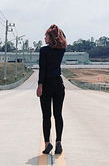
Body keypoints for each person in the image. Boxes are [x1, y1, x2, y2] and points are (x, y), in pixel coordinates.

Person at [36, 24, 67, 154]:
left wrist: (39, 85)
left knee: (46, 116)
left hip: (47, 85)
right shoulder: (62, 49)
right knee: (58, 115)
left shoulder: (44, 51)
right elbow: (64, 36)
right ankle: (59, 142)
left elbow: (42, 69)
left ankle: (48, 144)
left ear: (51, 37)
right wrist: (56, 29)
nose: (44, 38)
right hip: (58, 85)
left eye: (46, 36)